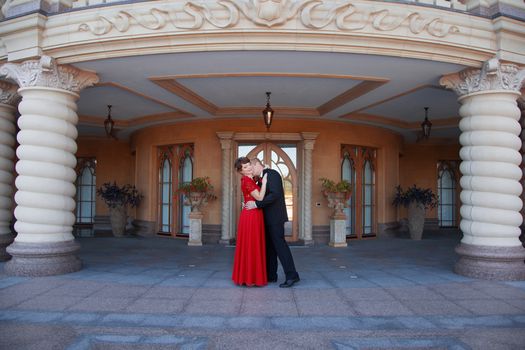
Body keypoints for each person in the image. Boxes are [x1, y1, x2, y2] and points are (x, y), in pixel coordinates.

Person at [245, 158, 300, 288]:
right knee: (269, 248)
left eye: (252, 169)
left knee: (281, 247)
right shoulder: (260, 178)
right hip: (265, 219)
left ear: (258, 165)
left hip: (275, 218)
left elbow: (275, 194)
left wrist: (257, 204)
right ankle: (271, 275)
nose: (251, 172)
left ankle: (292, 276)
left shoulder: (272, 174)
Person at [231, 156, 268, 287]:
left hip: (252, 213)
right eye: (245, 167)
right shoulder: (247, 180)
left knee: (252, 244)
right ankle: (251, 278)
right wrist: (264, 183)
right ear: (241, 171)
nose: (249, 168)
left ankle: (250, 277)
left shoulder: (250, 179)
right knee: (251, 244)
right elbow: (260, 197)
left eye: (249, 165)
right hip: (251, 215)